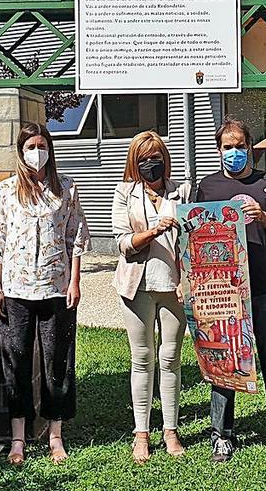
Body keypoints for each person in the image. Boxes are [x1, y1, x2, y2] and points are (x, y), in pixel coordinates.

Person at [193, 117, 266, 462]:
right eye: (227, 147)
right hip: (224, 294)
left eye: (240, 146)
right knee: (224, 365)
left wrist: (262, 217)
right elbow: (197, 237)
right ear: (219, 150)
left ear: (250, 147)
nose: (234, 152)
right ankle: (222, 435)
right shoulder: (207, 188)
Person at [0, 122, 89, 465]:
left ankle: (55, 434)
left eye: (41, 145)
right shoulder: (5, 191)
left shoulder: (66, 188)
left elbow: (75, 237)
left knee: (56, 362)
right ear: (20, 151)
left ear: (50, 148)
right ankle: (18, 436)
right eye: (30, 146)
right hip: (15, 289)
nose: (36, 152)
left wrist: (75, 282)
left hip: (56, 288)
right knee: (16, 361)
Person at [111, 131, 192, 463]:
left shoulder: (182, 190)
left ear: (165, 159)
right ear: (134, 161)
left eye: (156, 156)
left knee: (171, 358)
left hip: (174, 286)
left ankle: (170, 430)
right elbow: (122, 242)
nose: (150, 163)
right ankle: (141, 433)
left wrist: (187, 275)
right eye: (143, 158)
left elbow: (196, 234)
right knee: (141, 358)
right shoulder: (123, 192)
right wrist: (154, 231)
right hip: (136, 285)